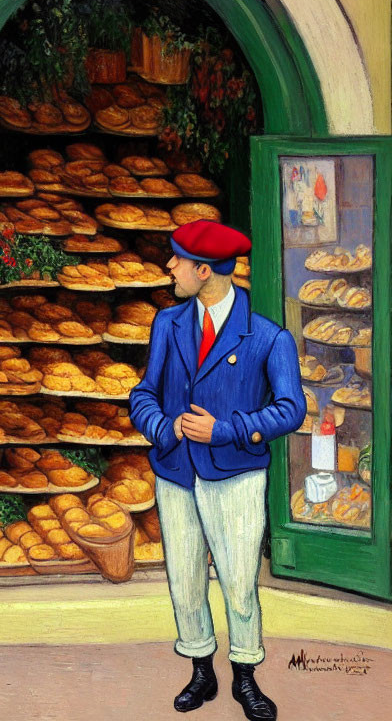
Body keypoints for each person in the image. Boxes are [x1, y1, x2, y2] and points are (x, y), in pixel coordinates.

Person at [129, 220, 305, 721]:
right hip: (176, 471)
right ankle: (200, 670)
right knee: (184, 579)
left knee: (238, 582)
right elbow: (142, 393)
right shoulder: (167, 323)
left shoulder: (269, 337)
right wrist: (166, 427)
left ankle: (245, 677)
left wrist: (226, 429)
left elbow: (292, 410)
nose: (170, 267)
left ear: (204, 271)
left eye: (178, 259)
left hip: (237, 474)